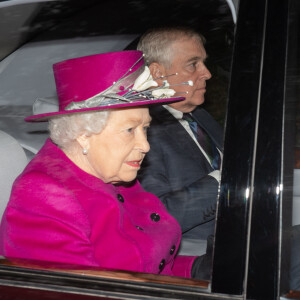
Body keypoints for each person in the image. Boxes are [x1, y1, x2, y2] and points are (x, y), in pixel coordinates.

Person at [0, 50, 210, 279]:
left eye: (145, 129)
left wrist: (194, 268)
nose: (145, 145)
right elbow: (77, 292)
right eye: (130, 130)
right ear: (83, 134)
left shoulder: (114, 173)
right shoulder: (43, 196)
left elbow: (147, 262)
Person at [137, 27, 223, 255]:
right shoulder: (142, 130)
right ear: (157, 73)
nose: (207, 73)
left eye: (204, 63)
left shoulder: (201, 115)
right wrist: (222, 181)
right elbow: (158, 215)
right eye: (193, 64)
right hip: (195, 254)